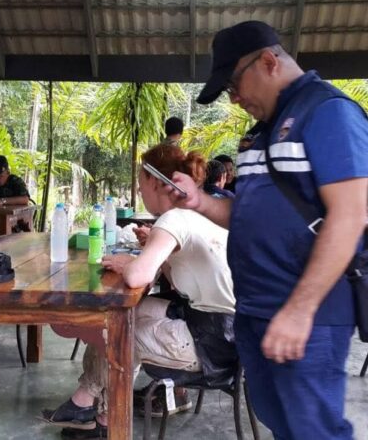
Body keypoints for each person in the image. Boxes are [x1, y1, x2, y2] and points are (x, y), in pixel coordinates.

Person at [164, 20, 368, 439]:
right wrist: (201, 200)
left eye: (235, 85)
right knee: (281, 425)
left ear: (269, 62)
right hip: (256, 310)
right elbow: (249, 214)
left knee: (313, 430)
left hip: (308, 314)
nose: (235, 98)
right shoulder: (261, 132)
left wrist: (298, 311)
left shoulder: (328, 112)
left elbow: (348, 217)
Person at [41, 144, 236, 439]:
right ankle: (91, 408)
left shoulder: (175, 218)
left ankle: (99, 415)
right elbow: (182, 277)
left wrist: (129, 262)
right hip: (231, 336)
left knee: (118, 330)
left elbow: (138, 276)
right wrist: (152, 252)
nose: (140, 190)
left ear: (157, 182)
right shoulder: (200, 213)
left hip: (210, 347)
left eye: (141, 183)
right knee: (125, 316)